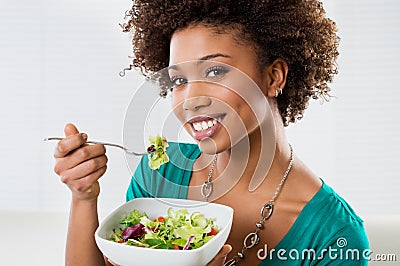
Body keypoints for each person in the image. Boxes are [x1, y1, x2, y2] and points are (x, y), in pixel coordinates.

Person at [53, 0, 369, 265]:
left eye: (215, 71)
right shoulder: (160, 172)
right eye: (178, 81)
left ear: (274, 77)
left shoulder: (333, 236)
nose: (191, 99)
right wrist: (84, 197)